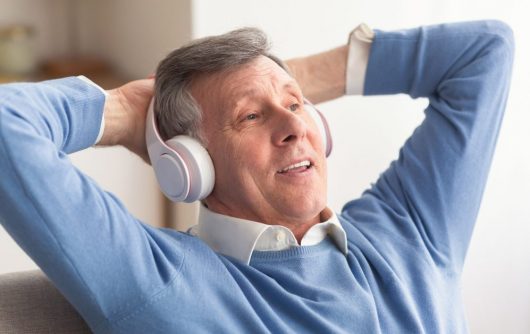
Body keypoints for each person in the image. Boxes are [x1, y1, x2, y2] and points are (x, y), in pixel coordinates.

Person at [0, 20, 514, 333]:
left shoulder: (408, 230)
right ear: (188, 165)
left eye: (298, 107)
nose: (295, 126)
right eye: (250, 117)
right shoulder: (158, 280)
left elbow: (484, 52)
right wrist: (126, 111)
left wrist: (280, 78)